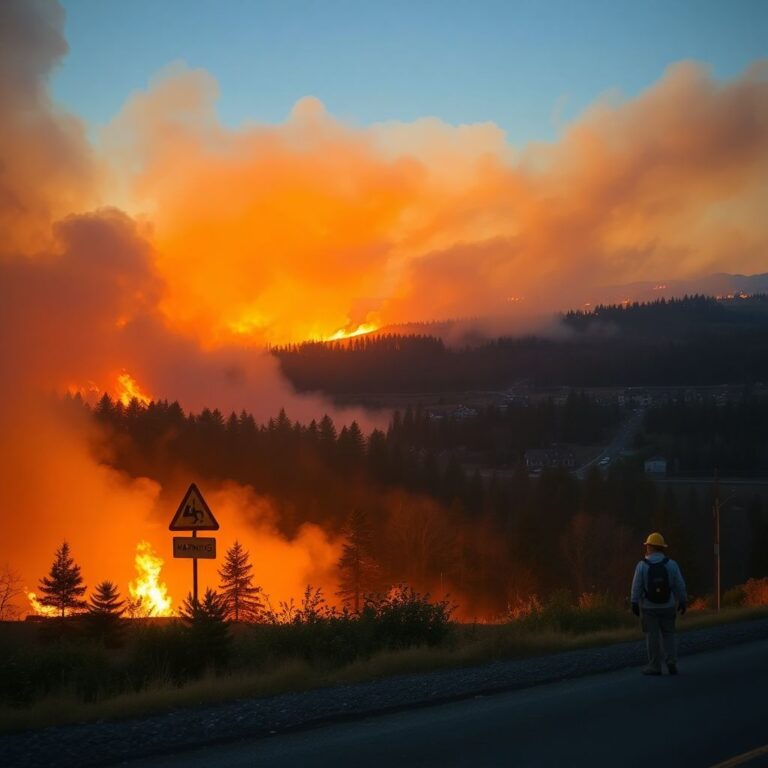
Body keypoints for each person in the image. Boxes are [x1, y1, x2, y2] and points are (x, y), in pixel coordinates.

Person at [630, 532, 687, 676]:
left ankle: (654, 666)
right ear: (662, 548)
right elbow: (679, 585)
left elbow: (636, 586)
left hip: (649, 607)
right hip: (668, 606)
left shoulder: (642, 565)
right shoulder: (671, 564)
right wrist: (683, 600)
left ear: (649, 547)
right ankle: (671, 662)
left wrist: (634, 602)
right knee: (669, 634)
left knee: (652, 637)